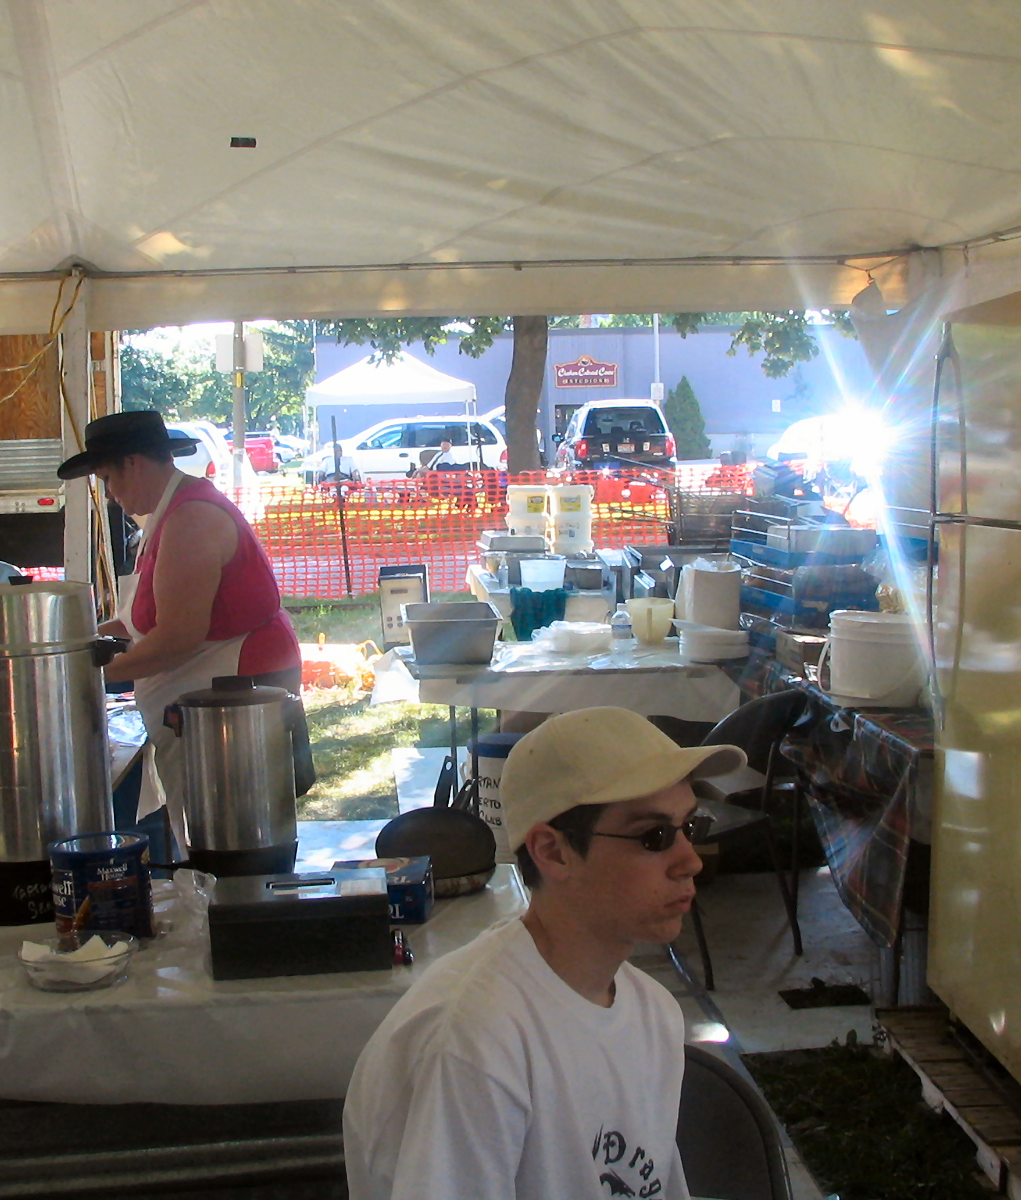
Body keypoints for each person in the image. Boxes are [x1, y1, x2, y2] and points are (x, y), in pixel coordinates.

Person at [343, 707, 745, 1200]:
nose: (691, 861)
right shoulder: (475, 1042)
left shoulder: (653, 1012)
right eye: (654, 837)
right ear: (553, 852)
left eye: (690, 827)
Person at [57, 410, 304, 830]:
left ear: (133, 463)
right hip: (210, 698)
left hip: (235, 697)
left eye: (108, 479)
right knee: (208, 831)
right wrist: (68, 645)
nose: (110, 494)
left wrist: (82, 675)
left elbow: (177, 637)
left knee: (230, 834)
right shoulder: (169, 514)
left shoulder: (192, 518)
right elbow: (138, 621)